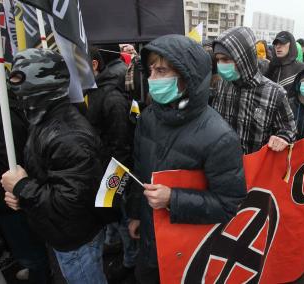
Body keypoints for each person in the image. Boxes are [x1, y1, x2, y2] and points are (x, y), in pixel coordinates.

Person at [126, 35, 247, 283]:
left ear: (186, 76)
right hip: (149, 240)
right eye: (150, 70)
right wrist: (136, 214)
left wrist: (174, 199)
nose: (152, 78)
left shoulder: (220, 137)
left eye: (161, 70)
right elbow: (140, 170)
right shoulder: (148, 117)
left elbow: (229, 204)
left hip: (186, 247)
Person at [0, 48, 107, 284]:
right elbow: (50, 179)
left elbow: (70, 203)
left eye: (19, 79)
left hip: (76, 240)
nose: (13, 86)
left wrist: (22, 187)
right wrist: (23, 196)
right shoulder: (44, 120)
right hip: (59, 233)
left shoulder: (67, 135)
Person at [87, 47, 138, 283]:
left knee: (123, 216)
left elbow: (121, 147)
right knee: (113, 216)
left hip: (115, 172)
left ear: (95, 64)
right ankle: (114, 244)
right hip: (103, 168)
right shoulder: (95, 90)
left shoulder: (113, 98)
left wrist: (114, 185)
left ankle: (130, 261)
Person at [212, 27, 297, 154]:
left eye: (225, 59)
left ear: (243, 58)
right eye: (218, 60)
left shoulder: (275, 93)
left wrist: (282, 138)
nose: (220, 65)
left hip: (255, 169)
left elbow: (289, 130)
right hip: (223, 164)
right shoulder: (221, 85)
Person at [0, 94, 50, 283]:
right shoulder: (8, 104)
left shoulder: (3, 113)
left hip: (11, 196)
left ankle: (39, 272)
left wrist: (18, 187)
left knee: (29, 247)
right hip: (16, 193)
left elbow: (7, 158)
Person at [266, 31, 304, 95]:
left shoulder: (301, 68)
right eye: (276, 43)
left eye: (282, 43)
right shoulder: (271, 66)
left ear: (291, 45)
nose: (278, 46)